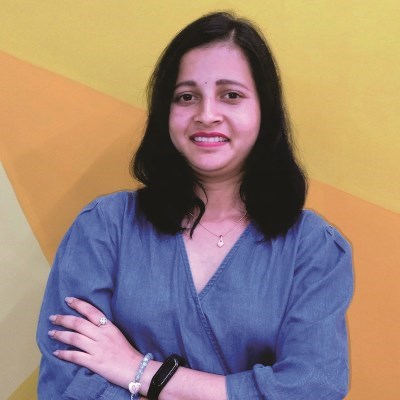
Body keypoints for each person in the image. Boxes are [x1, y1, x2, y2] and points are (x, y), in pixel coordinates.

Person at [37, 11, 353, 400]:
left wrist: (141, 371)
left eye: (231, 95)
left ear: (264, 111)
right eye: (186, 97)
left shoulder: (314, 248)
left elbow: (313, 387)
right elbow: (67, 384)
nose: (206, 115)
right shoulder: (104, 227)